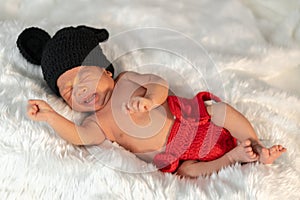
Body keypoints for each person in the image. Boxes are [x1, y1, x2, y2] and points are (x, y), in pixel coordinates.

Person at [17, 25, 286, 178]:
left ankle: (257, 146)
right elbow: (78, 135)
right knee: (190, 173)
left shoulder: (126, 80)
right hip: (175, 155)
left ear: (106, 70)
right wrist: (50, 116)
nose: (80, 90)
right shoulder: (97, 122)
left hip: (193, 120)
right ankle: (234, 158)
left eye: (85, 75)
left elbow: (158, 83)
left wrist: (149, 99)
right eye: (68, 90)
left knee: (221, 111)